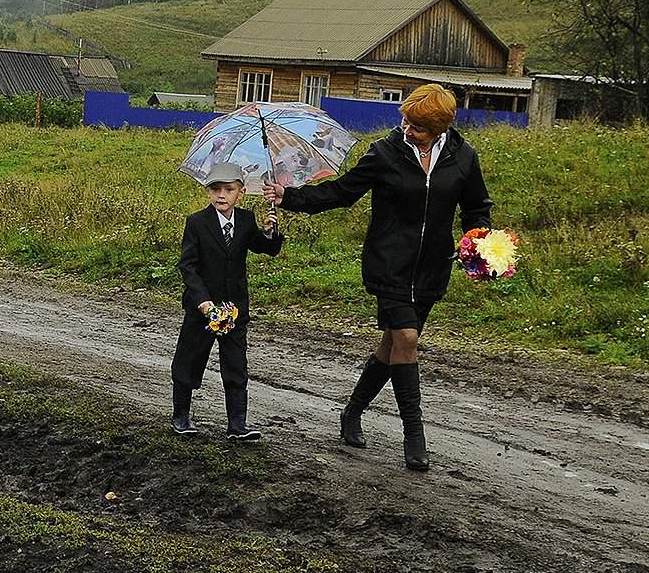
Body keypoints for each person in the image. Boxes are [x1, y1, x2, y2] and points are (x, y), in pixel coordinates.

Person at [263, 84, 492, 471]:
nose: (407, 128)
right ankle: (414, 434)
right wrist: (291, 198)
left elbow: (476, 207)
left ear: (439, 127)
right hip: (389, 264)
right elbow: (342, 192)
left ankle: (351, 412)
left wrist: (477, 238)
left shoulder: (463, 157)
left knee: (392, 346)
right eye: (405, 120)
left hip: (431, 268)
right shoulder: (384, 153)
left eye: (417, 125)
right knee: (407, 339)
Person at [172, 162, 284, 440]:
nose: (221, 195)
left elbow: (264, 247)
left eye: (228, 190)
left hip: (234, 310)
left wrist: (270, 232)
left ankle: (237, 425)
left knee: (235, 364)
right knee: (189, 361)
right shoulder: (197, 222)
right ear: (208, 192)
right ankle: (181, 416)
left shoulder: (245, 220)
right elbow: (188, 265)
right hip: (203, 310)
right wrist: (203, 302)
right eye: (215, 189)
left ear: (241, 192)